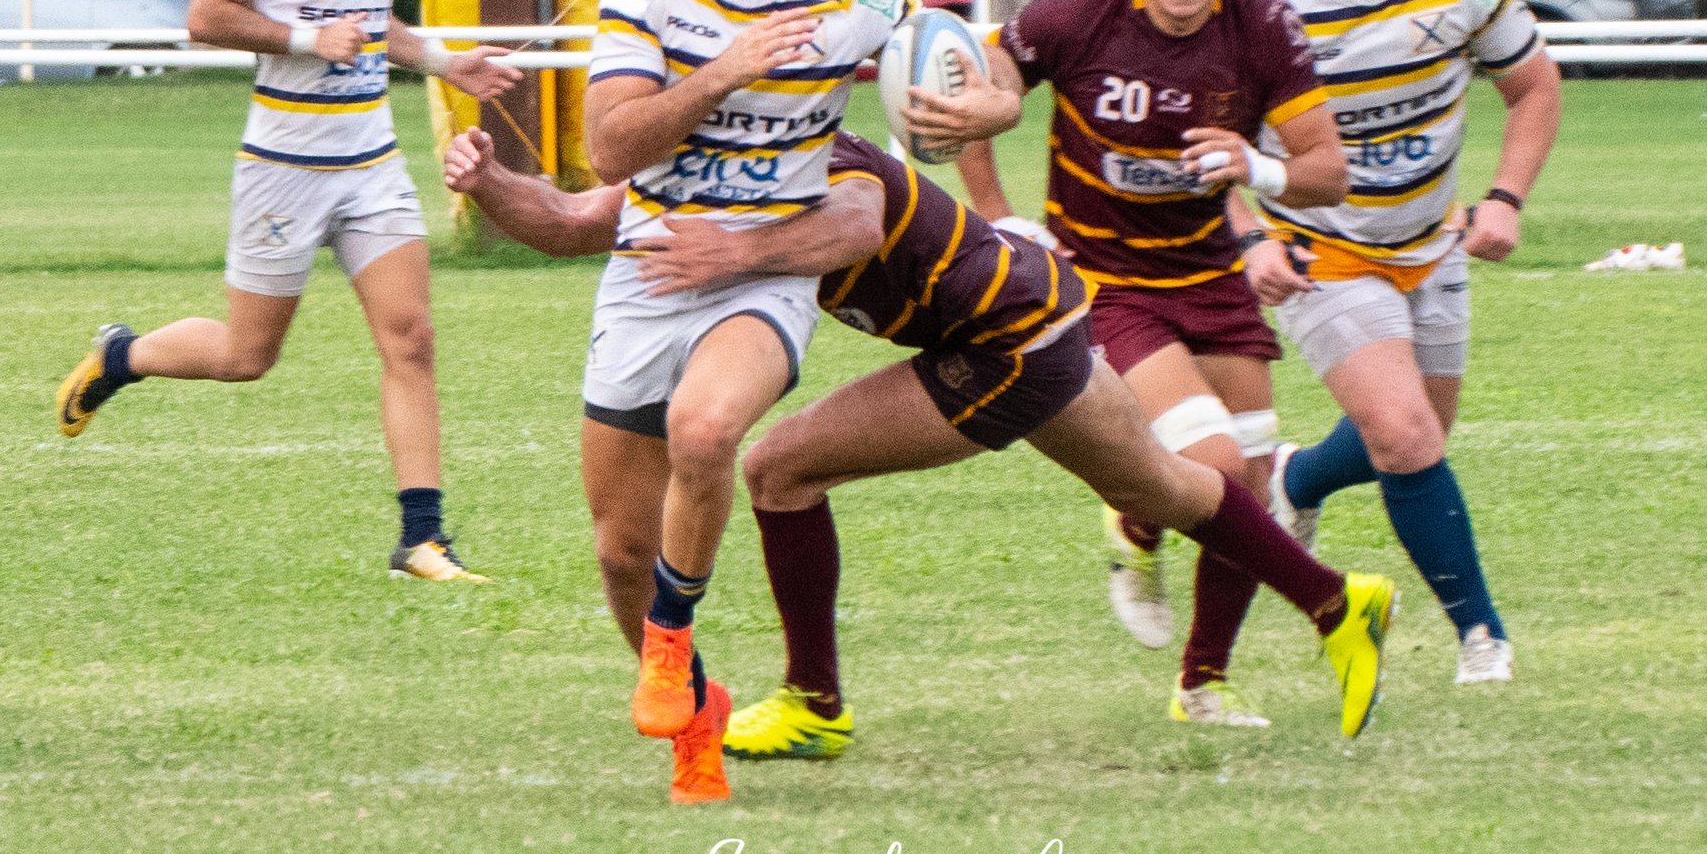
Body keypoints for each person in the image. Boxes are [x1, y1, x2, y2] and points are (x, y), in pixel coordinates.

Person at [442, 124, 1397, 759]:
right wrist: (486, 180)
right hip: (1039, 324)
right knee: (1168, 491)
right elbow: (571, 221)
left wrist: (737, 255)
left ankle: (815, 706)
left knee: (777, 468)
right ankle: (1333, 603)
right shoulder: (700, 174)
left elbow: (853, 225)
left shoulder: (826, 163)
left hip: (1011, 346)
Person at [54, 0, 520, 581]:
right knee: (247, 355)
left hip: (369, 163)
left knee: (411, 339)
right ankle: (122, 356)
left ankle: (422, 538)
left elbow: (377, 24)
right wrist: (309, 40)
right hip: (285, 171)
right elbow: (206, 15)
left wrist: (449, 63)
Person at [930, 0, 1348, 727]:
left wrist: (1256, 166)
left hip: (1212, 280)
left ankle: (1202, 681)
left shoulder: (1263, 25)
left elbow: (1326, 173)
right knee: (1217, 466)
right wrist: (1001, 219)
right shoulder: (1073, 19)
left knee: (1257, 478)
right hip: (1105, 283)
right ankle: (1145, 528)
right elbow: (975, 88)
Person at [577, 0, 912, 802]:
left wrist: (972, 139)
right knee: (621, 553)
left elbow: (957, 64)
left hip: (764, 273)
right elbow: (608, 149)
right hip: (652, 271)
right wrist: (724, 69)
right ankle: (697, 709)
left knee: (708, 427)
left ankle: (671, 645)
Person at [1246, 0, 1562, 684]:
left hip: (1431, 239)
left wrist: (1504, 198)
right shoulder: (1274, 1)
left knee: (1415, 435)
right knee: (1405, 434)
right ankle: (1481, 638)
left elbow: (1532, 85)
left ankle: (1296, 480)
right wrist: (1251, 237)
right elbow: (1212, 141)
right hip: (1322, 247)